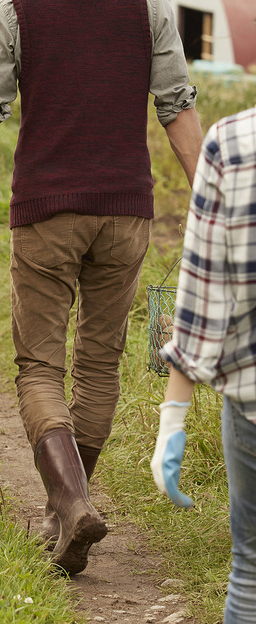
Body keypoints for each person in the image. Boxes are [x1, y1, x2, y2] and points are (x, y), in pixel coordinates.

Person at [0, 0, 204, 575]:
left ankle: (71, 503)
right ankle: (66, 507)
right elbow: (177, 107)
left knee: (41, 367)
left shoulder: (16, 10)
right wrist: (209, 203)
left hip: (46, 211)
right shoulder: (148, 11)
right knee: (100, 362)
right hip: (126, 213)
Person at [152, 106, 256, 623]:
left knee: (253, 572)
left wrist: (173, 419)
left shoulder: (235, 143)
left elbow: (204, 298)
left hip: (252, 400)